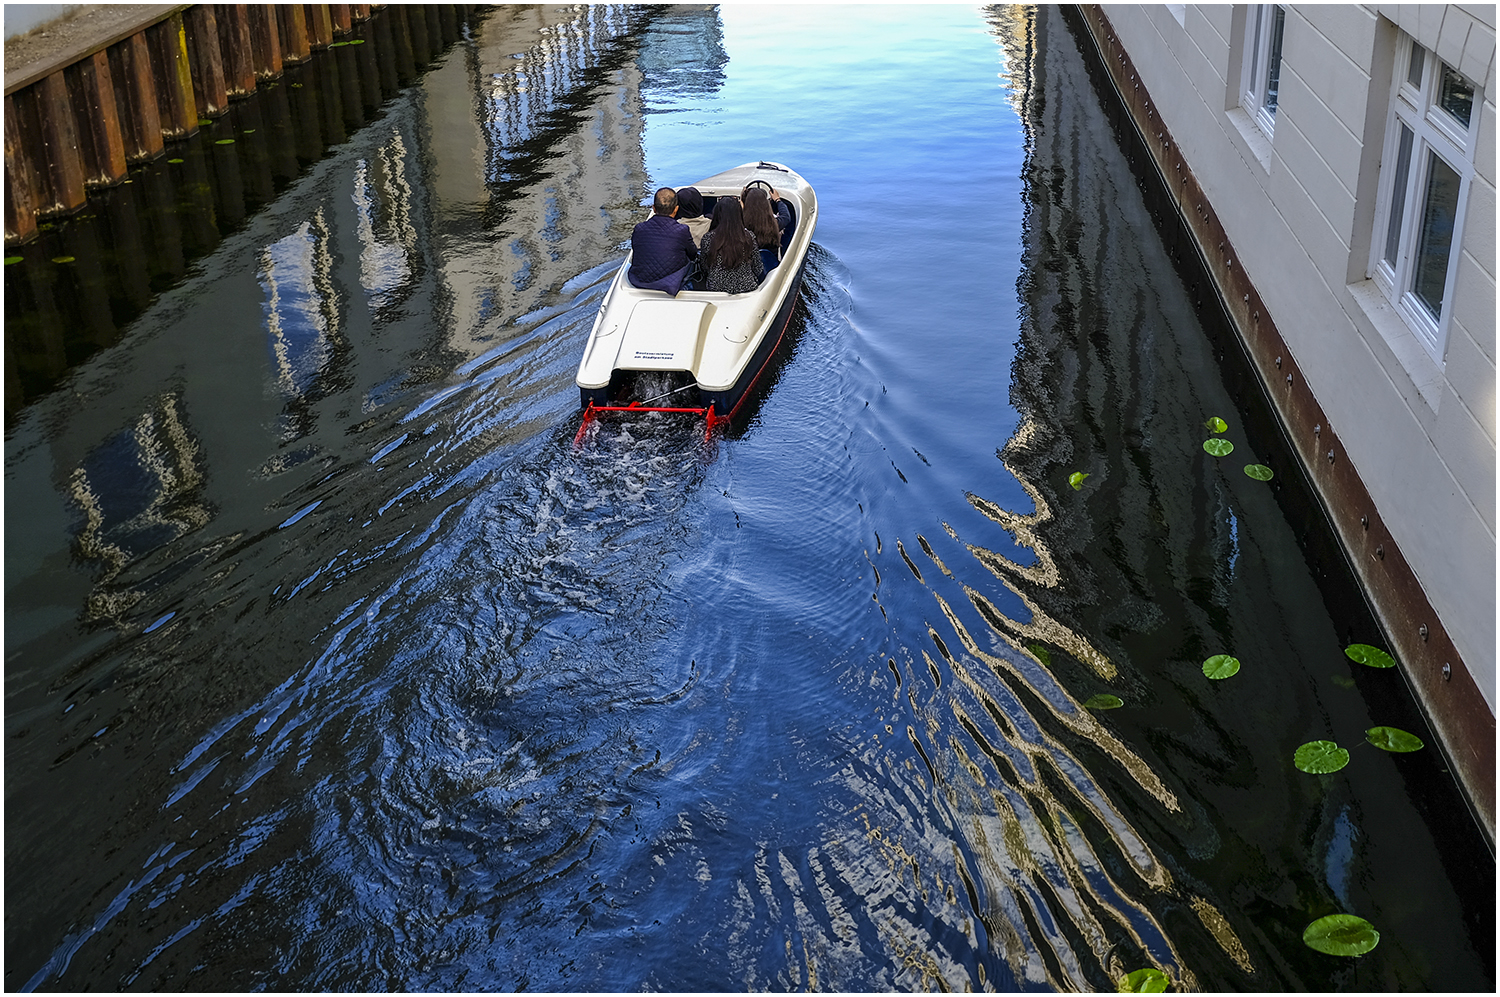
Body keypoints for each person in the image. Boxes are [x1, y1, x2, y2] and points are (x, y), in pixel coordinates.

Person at [627, 187, 697, 295]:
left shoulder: (639, 228)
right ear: (676, 209)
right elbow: (693, 254)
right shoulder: (682, 230)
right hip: (670, 283)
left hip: (639, 280)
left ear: (654, 208)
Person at [699, 197, 764, 294]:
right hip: (747, 288)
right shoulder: (749, 236)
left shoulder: (707, 238)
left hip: (716, 289)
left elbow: (704, 267)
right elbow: (758, 268)